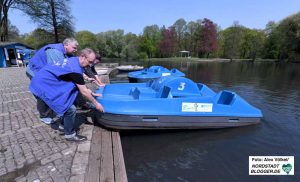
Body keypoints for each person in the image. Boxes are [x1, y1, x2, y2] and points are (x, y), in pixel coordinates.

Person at [29, 48, 104, 142]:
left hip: (46, 81)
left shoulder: (74, 60)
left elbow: (80, 84)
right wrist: (96, 104)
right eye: (90, 62)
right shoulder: (75, 69)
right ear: (82, 57)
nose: (90, 65)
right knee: (70, 109)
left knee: (72, 100)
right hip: (43, 85)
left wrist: (92, 92)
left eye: (92, 62)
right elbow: (83, 91)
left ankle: (62, 126)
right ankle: (70, 135)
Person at [26, 38, 79, 124]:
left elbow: (73, 65)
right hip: (35, 71)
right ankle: (44, 115)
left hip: (44, 72)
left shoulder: (67, 52)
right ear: (66, 45)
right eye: (74, 48)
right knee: (43, 92)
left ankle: (57, 108)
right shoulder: (55, 51)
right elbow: (57, 70)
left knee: (55, 89)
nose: (75, 50)